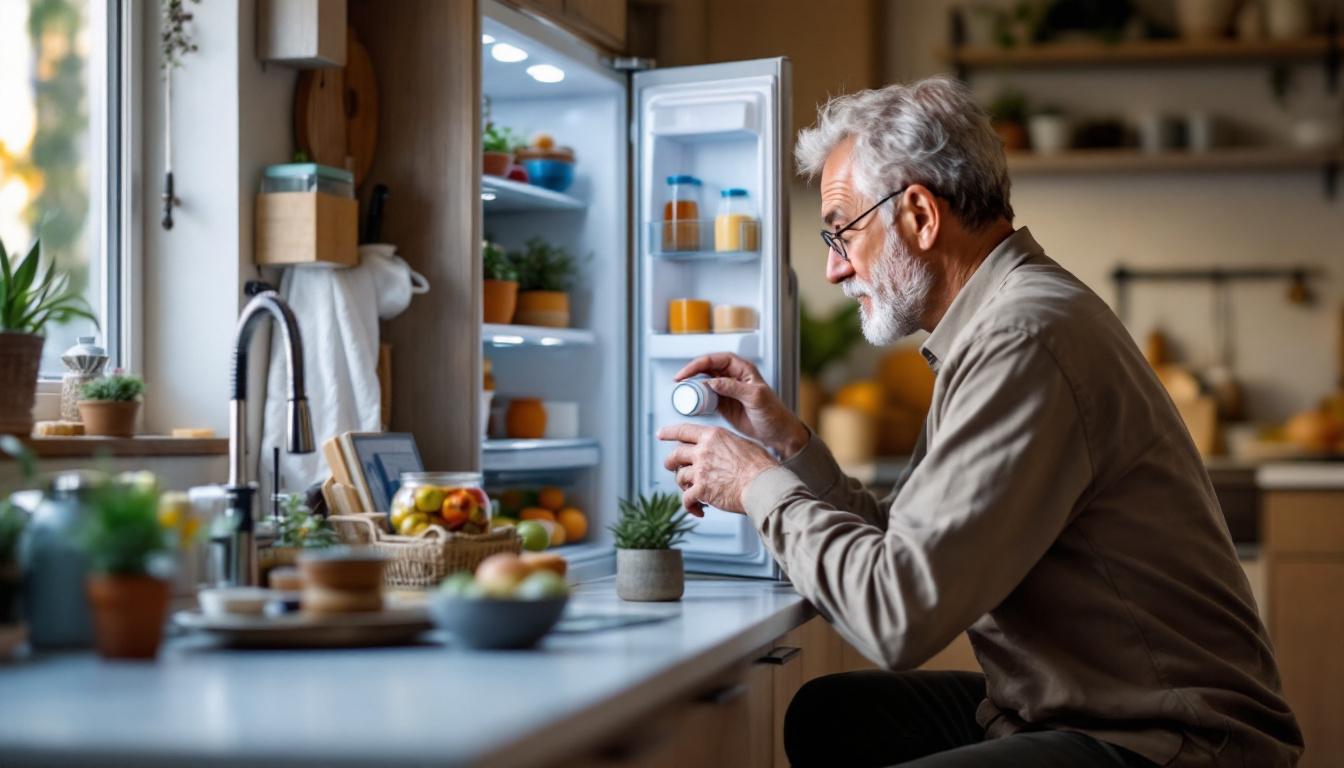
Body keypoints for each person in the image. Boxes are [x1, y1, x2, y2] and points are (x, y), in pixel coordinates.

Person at [657, 77, 1302, 767]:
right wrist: (786, 444)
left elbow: (897, 616)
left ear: (920, 217)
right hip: (1071, 710)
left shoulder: (1023, 337)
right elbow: (904, 549)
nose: (834, 268)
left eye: (841, 230)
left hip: (1172, 741)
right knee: (834, 716)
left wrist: (755, 484)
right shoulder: (998, 321)